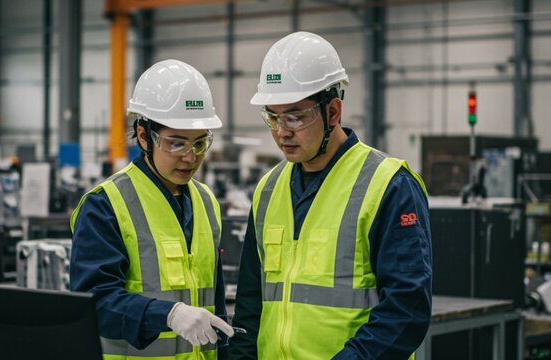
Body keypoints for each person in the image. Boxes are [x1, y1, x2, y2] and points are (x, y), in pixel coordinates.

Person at [228, 31, 432, 360]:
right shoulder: (268, 189)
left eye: (295, 116)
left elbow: (407, 311)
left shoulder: (389, 185)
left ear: (333, 112)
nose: (282, 131)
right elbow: (251, 305)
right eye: (273, 117)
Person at [70, 59, 234, 360]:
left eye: (200, 143)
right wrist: (167, 314)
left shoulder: (207, 201)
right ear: (144, 136)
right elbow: (93, 302)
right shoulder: (105, 204)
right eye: (176, 143)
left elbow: (216, 303)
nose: (190, 157)